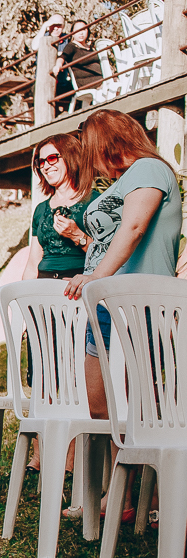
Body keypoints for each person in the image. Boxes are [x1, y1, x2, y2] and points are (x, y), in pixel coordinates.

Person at [64, 109, 181, 526]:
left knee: (136, 406)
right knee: (100, 406)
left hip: (139, 305)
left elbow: (132, 230)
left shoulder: (150, 169)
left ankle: (142, 496)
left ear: (106, 141)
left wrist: (95, 276)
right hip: (107, 304)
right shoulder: (120, 181)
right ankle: (122, 492)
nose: (88, 160)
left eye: (90, 148)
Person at [20, 134, 96, 474]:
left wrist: (75, 235)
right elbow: (34, 257)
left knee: (72, 374)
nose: (46, 166)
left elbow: (103, 253)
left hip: (75, 294)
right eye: (41, 161)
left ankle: (68, 456)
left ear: (69, 158)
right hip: (42, 294)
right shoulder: (40, 209)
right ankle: (40, 451)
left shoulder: (92, 202)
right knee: (41, 372)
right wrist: (23, 299)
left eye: (53, 158)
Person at [56, 20, 103, 113]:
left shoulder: (90, 48)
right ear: (72, 33)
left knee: (116, 80)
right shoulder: (71, 46)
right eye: (78, 30)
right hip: (86, 81)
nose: (81, 33)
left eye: (84, 30)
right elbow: (62, 57)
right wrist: (58, 66)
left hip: (99, 78)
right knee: (109, 83)